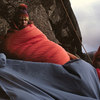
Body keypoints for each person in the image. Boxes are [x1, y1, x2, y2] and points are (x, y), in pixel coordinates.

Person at [1, 4, 78, 65]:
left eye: (26, 20)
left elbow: (43, 41)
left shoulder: (32, 28)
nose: (24, 22)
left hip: (58, 57)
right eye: (21, 19)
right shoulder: (15, 35)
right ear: (16, 20)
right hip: (58, 58)